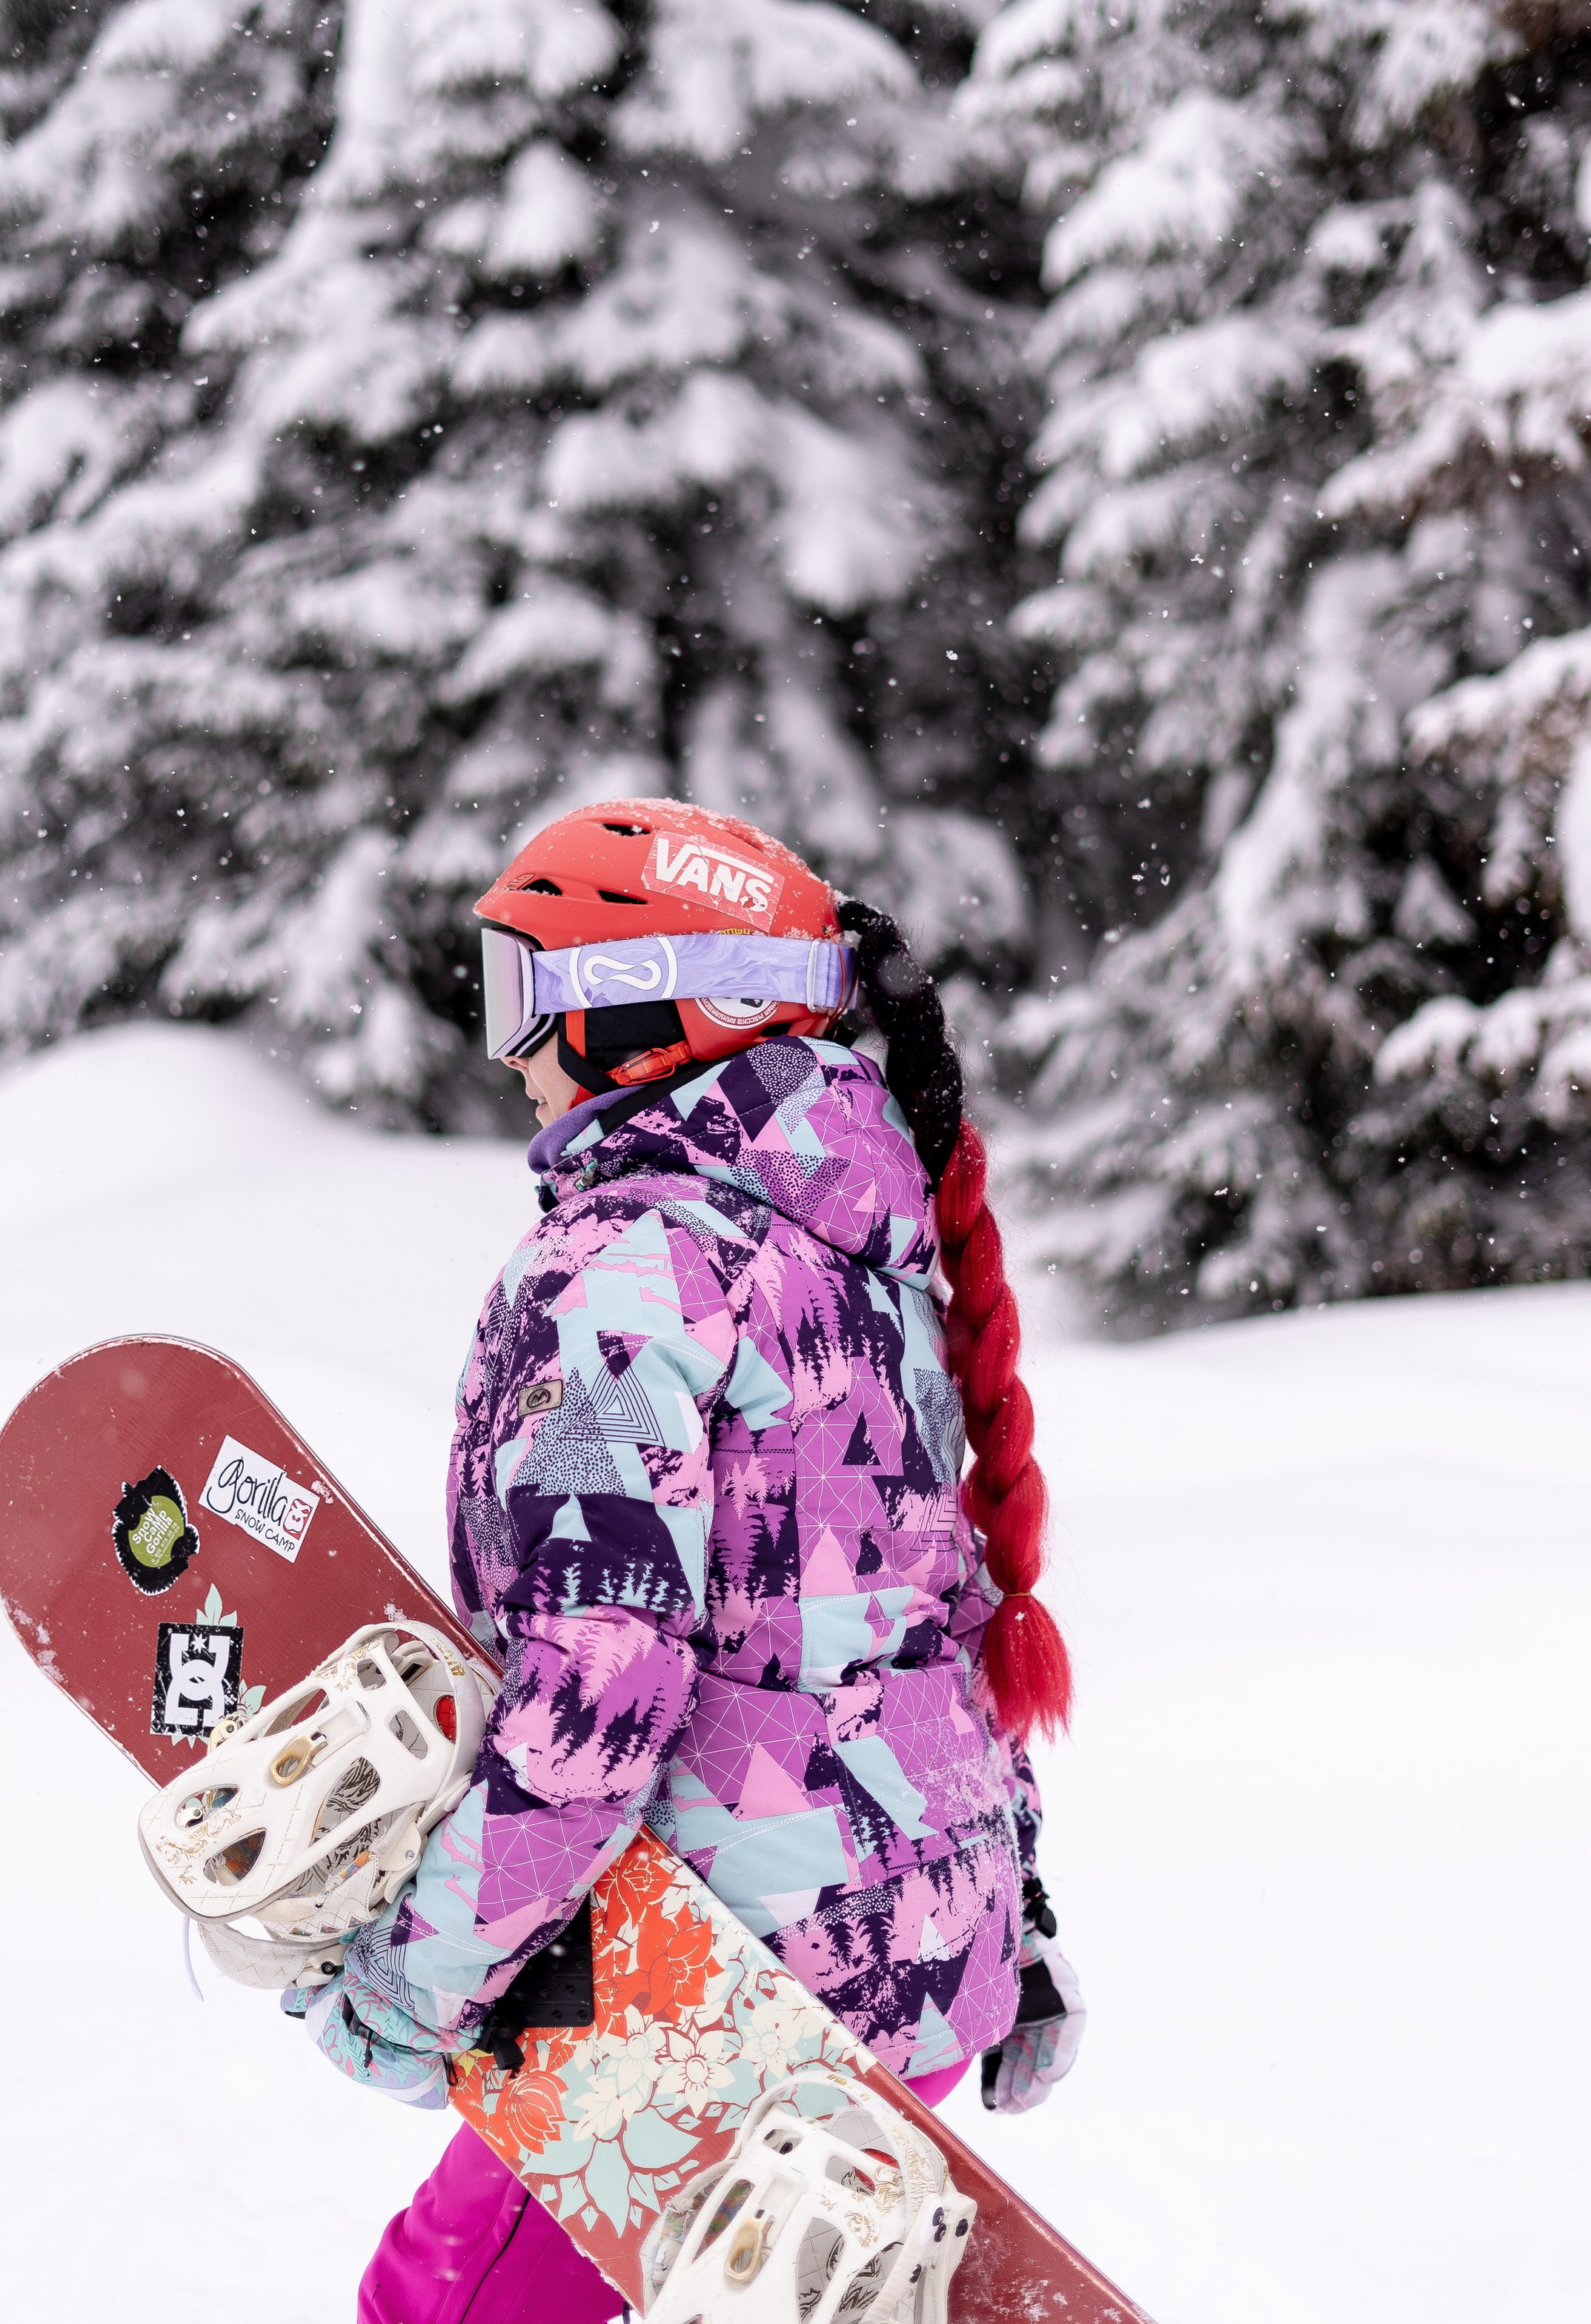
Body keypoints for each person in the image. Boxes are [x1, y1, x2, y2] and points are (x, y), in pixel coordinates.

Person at [289, 799, 1084, 2323]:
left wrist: (408, 1985)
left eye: (524, 996)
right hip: (911, 1962)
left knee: (438, 2304)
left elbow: (591, 1708)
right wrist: (1017, 1918)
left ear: (640, 1010)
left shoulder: (618, 1278)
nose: (506, 1052)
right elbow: (925, 1628)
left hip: (714, 1998)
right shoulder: (863, 1256)